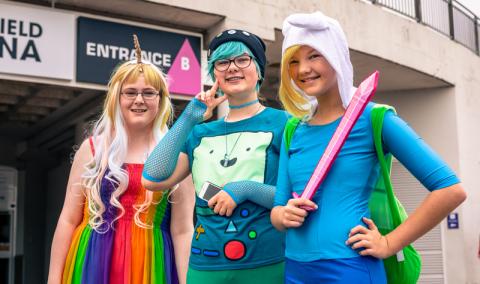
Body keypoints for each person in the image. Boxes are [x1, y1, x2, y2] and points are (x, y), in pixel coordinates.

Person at [270, 11, 467, 283]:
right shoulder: (293, 129)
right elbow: (277, 209)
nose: (303, 69)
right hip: (295, 269)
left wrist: (389, 243)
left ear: (335, 53)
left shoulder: (375, 119)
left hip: (351, 268)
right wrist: (283, 214)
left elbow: (450, 190)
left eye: (314, 55)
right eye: (293, 61)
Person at [142, 29, 288, 283]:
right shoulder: (199, 133)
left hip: (267, 264)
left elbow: (299, 195)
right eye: (222, 62)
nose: (232, 68)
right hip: (204, 267)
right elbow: (151, 177)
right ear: (213, 74)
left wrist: (245, 188)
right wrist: (189, 117)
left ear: (259, 70)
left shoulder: (285, 124)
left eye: (242, 59)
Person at [48, 35, 194, 284]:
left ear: (160, 100)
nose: (139, 100)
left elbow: (182, 231)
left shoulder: (177, 155)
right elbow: (68, 218)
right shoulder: (92, 149)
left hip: (152, 266)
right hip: (91, 264)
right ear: (117, 97)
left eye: (149, 92)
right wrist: (53, 279)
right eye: (130, 92)